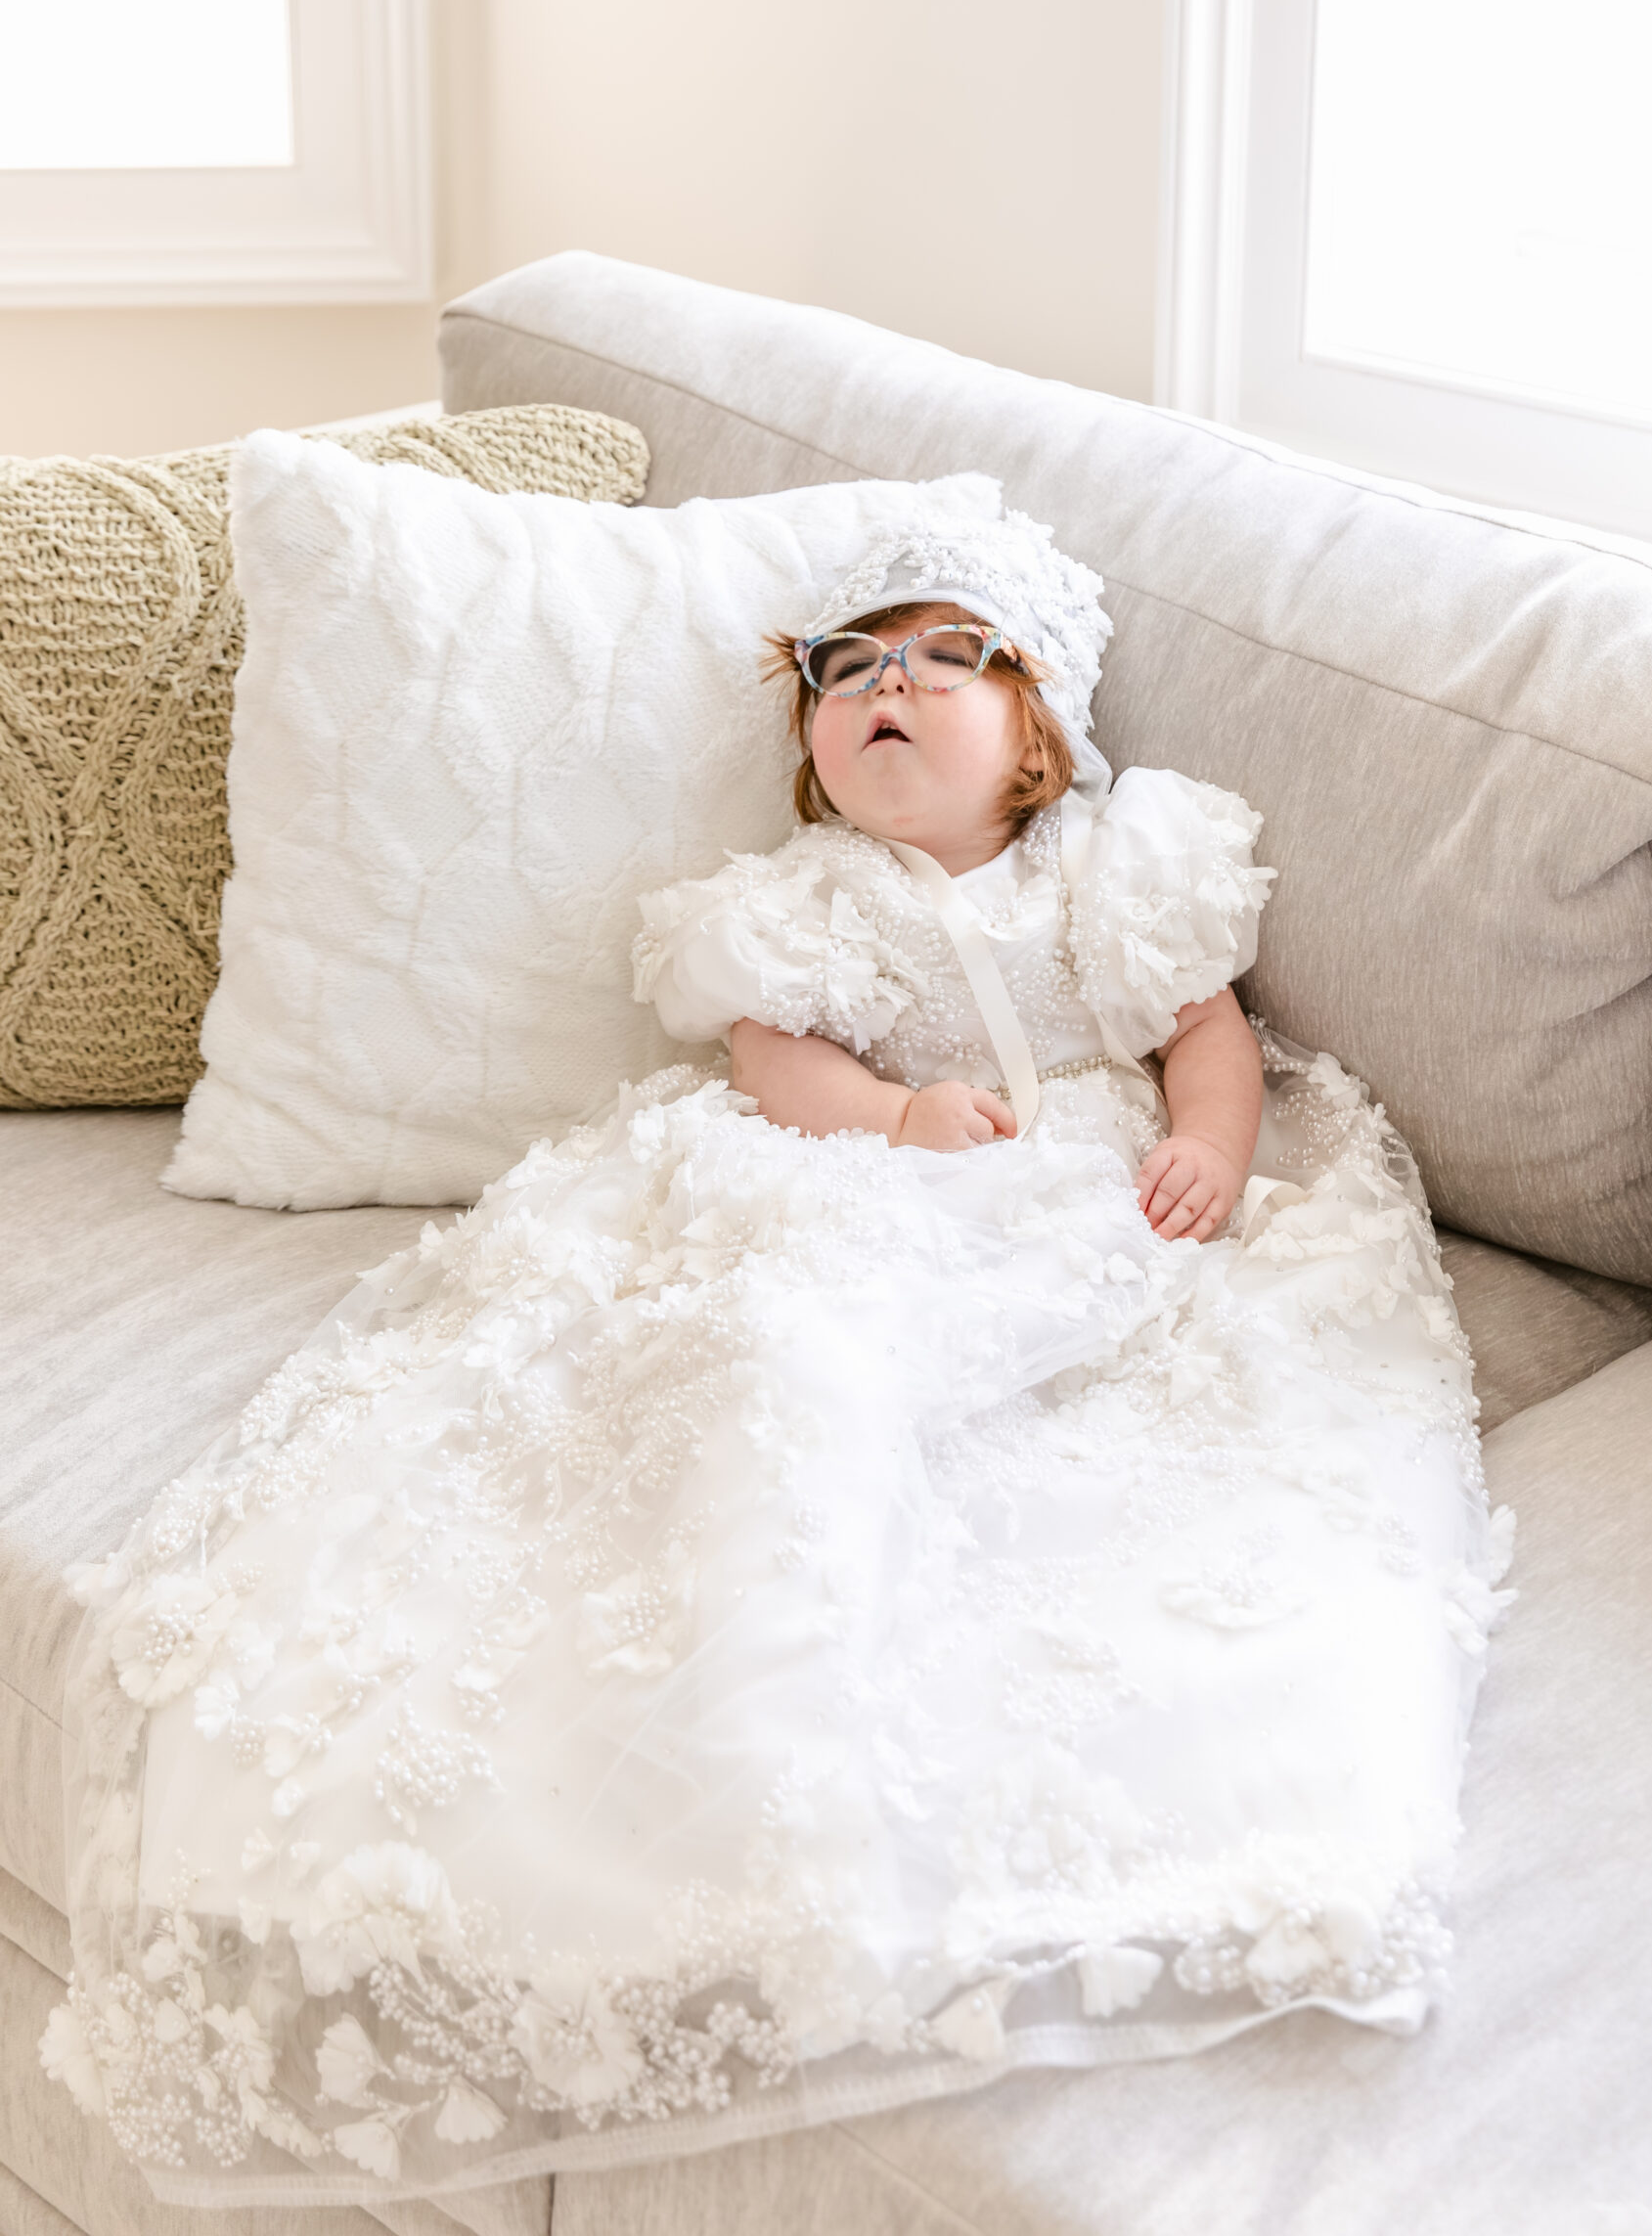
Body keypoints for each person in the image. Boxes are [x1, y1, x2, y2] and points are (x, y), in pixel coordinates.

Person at [45, 516, 1512, 2203]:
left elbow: (1205, 1033)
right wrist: (891, 1112)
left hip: (1096, 1189)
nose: (882, 687)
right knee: (770, 1358)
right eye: (846, 671)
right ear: (815, 743)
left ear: (1035, 732)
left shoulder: (1115, 866)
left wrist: (1204, 1146)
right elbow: (771, 1059)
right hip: (878, 1183)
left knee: (1157, 1428)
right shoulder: (804, 903)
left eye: (936, 660)